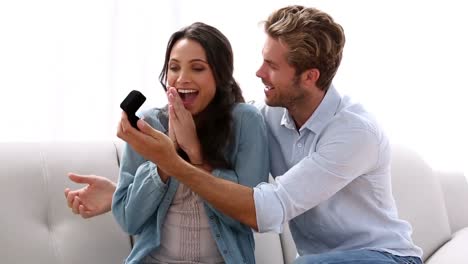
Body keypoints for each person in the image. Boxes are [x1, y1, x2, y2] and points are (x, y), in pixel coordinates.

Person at [66, 6, 423, 264]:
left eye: (272, 65)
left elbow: (265, 211)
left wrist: (176, 158)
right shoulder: (268, 117)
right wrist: (120, 194)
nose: (258, 72)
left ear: (309, 76)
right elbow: (135, 211)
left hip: (383, 256)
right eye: (174, 67)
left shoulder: (353, 134)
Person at [67, 22, 269, 264]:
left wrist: (195, 154)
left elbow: (249, 215)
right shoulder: (148, 123)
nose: (182, 78)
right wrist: (166, 156)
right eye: (174, 68)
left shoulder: (246, 122)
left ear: (220, 74)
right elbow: (129, 220)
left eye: (197, 68)